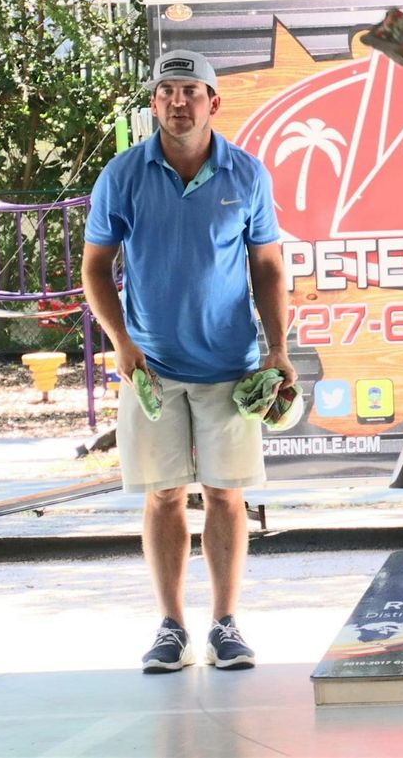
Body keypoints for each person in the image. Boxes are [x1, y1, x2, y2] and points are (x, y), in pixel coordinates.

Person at [83, 49, 296, 673]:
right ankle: (171, 627)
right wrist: (122, 343)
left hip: (231, 365)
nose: (179, 102)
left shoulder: (247, 174)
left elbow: (268, 265)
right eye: (167, 91)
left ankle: (226, 626)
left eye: (191, 91)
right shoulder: (122, 175)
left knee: (226, 496)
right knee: (163, 496)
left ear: (213, 102)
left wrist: (277, 349)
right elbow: (96, 268)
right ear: (154, 103)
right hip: (151, 369)